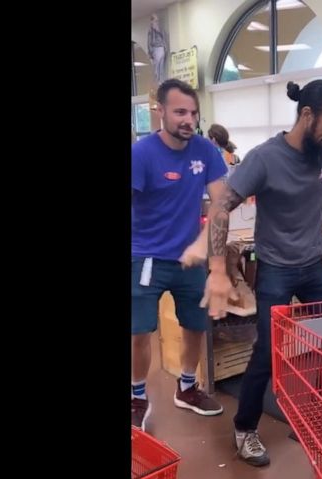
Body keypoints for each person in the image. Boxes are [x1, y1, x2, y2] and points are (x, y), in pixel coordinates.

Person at [202, 79, 322, 466]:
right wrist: (218, 268)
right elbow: (220, 209)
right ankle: (245, 428)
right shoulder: (265, 158)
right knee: (267, 354)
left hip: (313, 265)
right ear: (306, 114)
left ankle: (318, 413)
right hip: (276, 270)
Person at [131, 78, 227, 430]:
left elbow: (221, 204)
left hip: (189, 259)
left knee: (195, 325)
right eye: (180, 111)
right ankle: (137, 395)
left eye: (193, 112)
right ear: (160, 112)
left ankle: (187, 388)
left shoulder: (205, 150)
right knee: (139, 331)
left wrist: (216, 262)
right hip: (146, 257)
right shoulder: (141, 154)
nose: (188, 119)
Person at [147, 13, 169, 85]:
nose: (156, 22)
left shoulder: (160, 29)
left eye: (157, 21)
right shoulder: (150, 31)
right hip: (155, 49)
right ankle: (157, 82)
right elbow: (149, 42)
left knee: (161, 66)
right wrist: (150, 53)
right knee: (156, 67)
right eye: (155, 21)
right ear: (151, 21)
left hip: (161, 48)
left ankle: (161, 81)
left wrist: (165, 47)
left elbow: (163, 38)